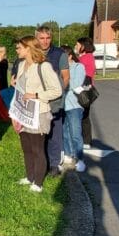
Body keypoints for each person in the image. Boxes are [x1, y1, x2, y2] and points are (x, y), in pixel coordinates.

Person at [12, 36, 62, 192]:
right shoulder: (21, 65)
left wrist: (36, 95)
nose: (17, 50)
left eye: (19, 47)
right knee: (26, 147)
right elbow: (21, 87)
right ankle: (30, 176)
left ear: (28, 48)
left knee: (37, 149)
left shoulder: (44, 66)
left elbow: (57, 90)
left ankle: (38, 183)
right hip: (23, 112)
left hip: (39, 113)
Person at [36, 25, 69, 176]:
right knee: (41, 134)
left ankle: (54, 164)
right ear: (37, 38)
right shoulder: (33, 53)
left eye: (48, 38)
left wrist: (57, 94)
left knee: (55, 134)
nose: (45, 41)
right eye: (42, 38)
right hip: (37, 102)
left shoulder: (59, 54)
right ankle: (43, 162)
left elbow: (66, 77)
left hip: (54, 102)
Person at [62, 46, 87, 172]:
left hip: (75, 105)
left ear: (70, 56)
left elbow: (76, 84)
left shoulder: (78, 67)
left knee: (76, 133)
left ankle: (80, 159)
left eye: (63, 57)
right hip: (62, 105)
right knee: (65, 132)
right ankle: (68, 154)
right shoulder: (60, 69)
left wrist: (64, 80)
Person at [75, 37, 96, 148]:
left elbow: (87, 75)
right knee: (83, 116)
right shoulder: (84, 57)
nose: (76, 47)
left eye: (77, 45)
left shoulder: (86, 58)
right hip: (83, 89)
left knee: (84, 116)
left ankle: (86, 140)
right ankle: (85, 139)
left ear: (83, 46)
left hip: (84, 91)